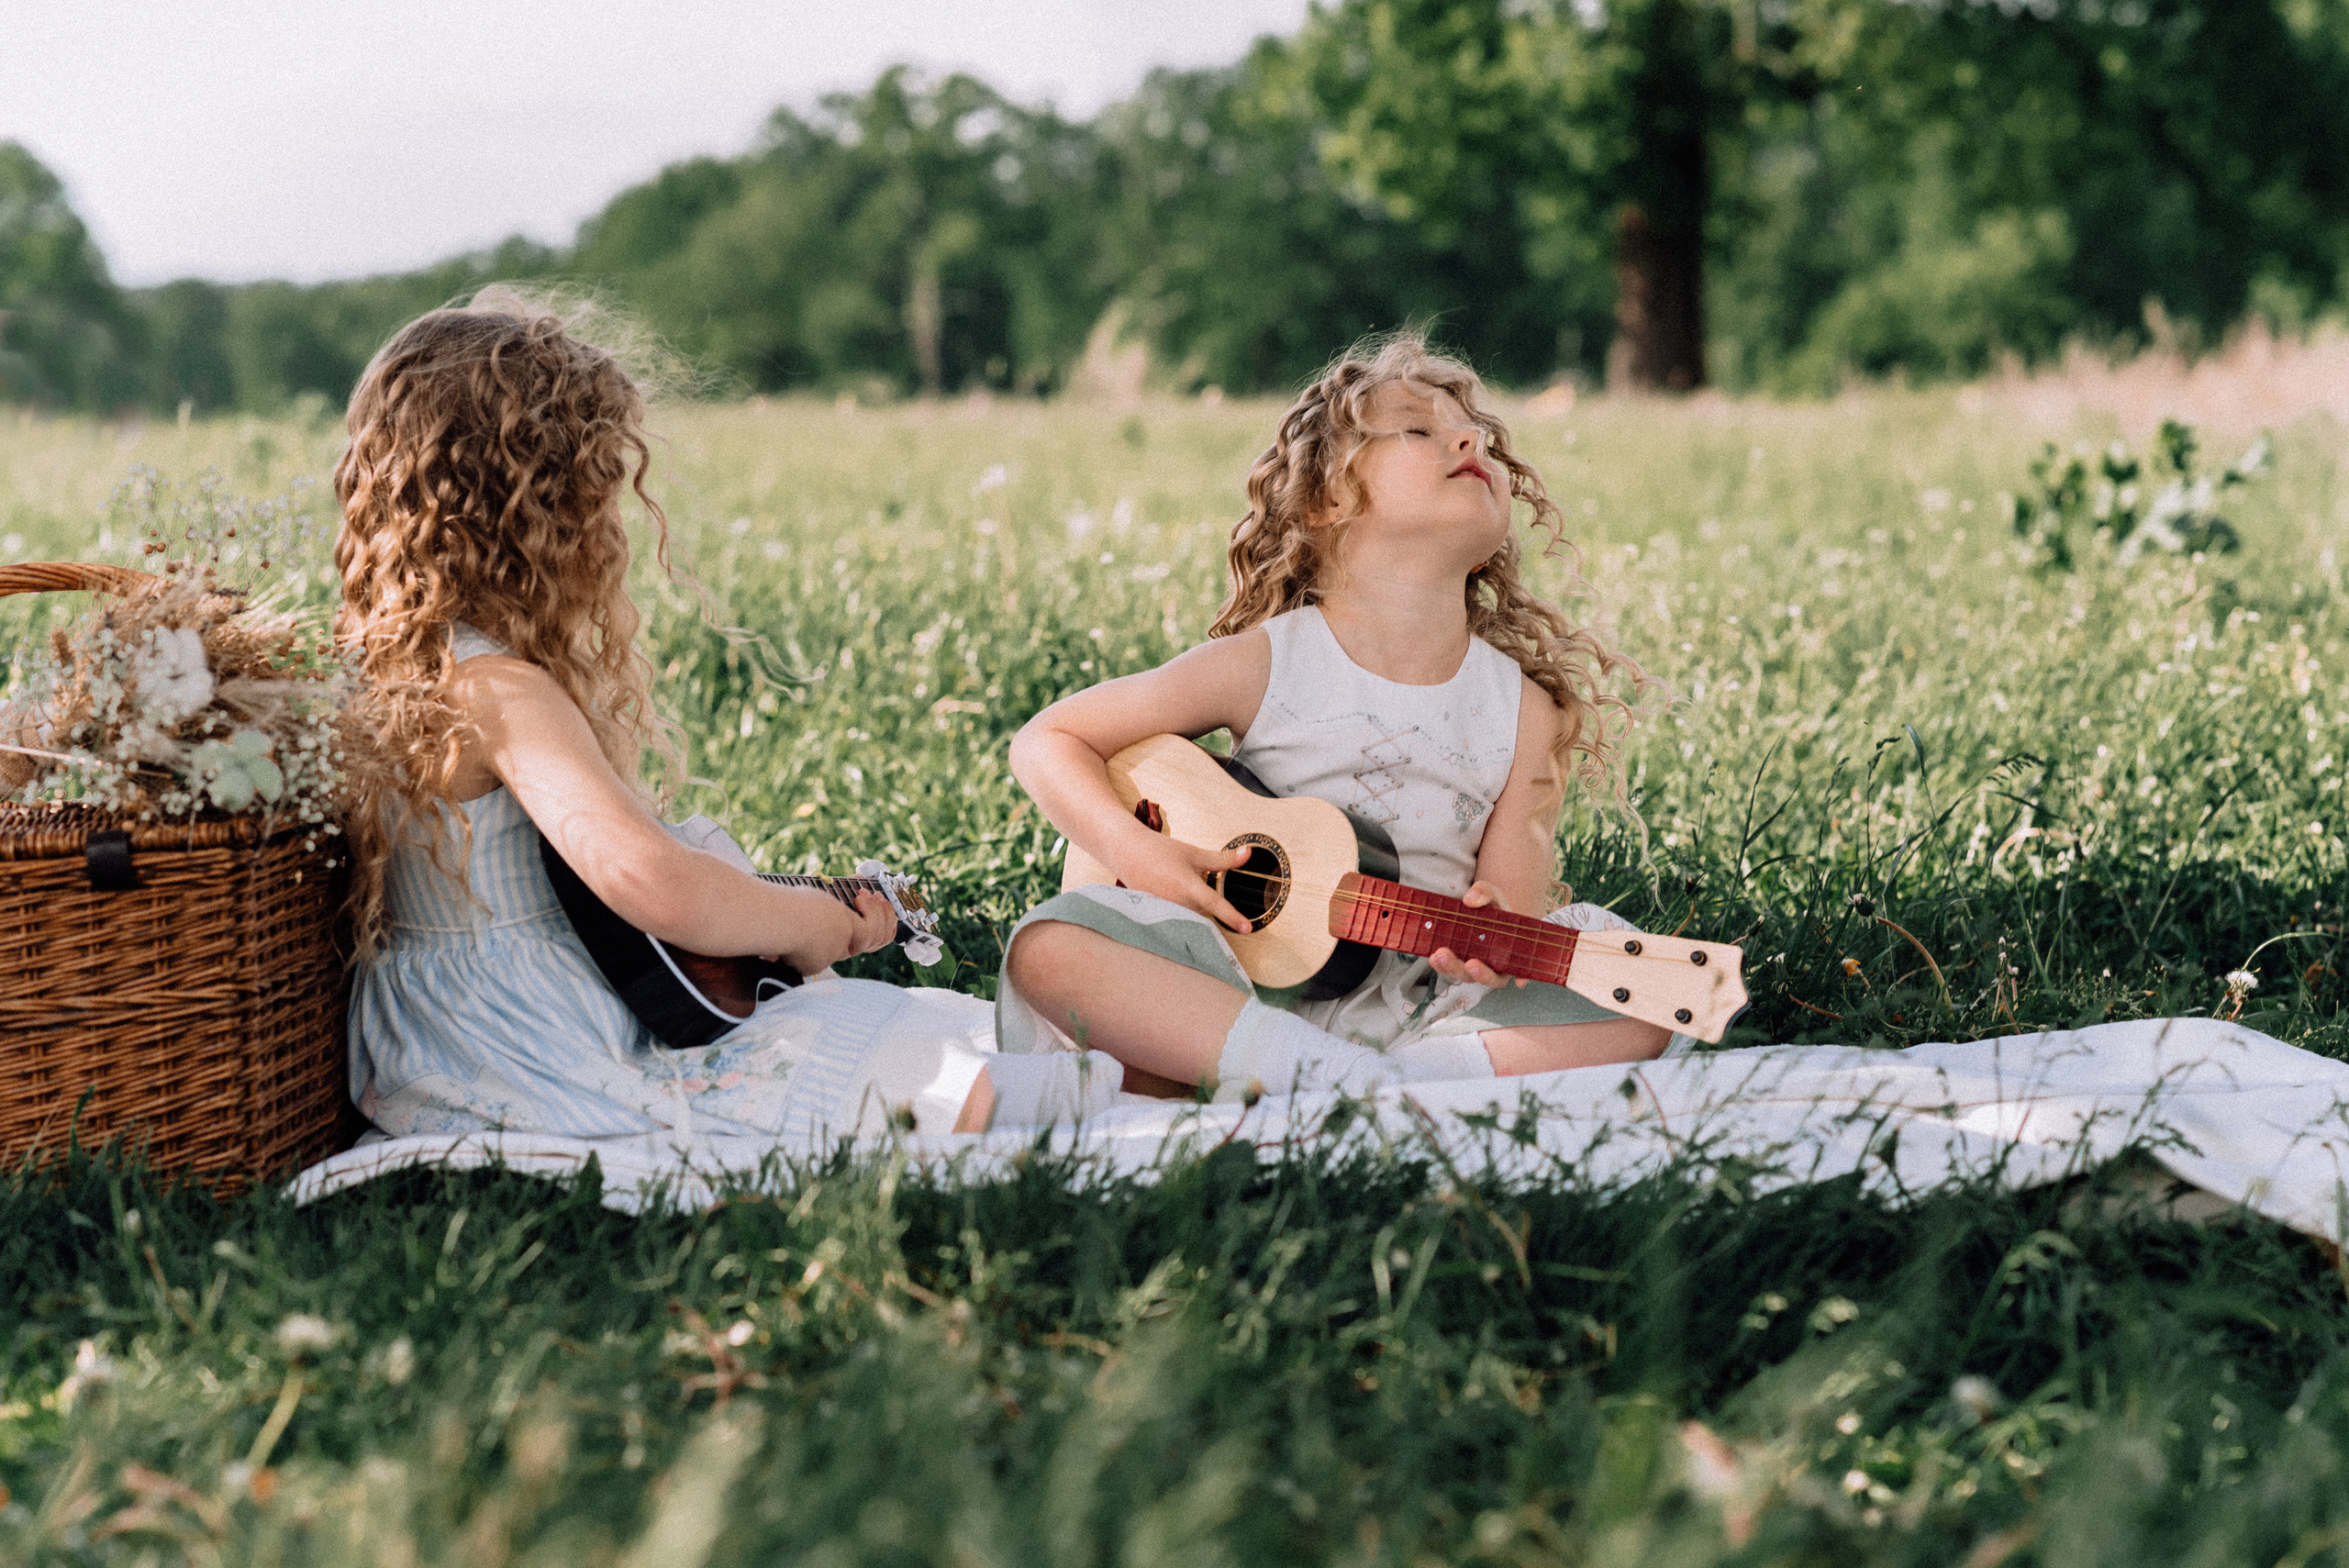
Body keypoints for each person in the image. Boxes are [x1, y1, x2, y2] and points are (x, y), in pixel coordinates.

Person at [337, 294, 1033, 1142]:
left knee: (925, 1042)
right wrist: (819, 920)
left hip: (435, 1041)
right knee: (929, 1061)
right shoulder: (496, 688)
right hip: (533, 1047)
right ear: (541, 510)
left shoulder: (388, 668)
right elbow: (655, 885)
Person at [990, 333, 1677, 1122]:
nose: (1468, 439)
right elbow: (1047, 740)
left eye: (1474, 432)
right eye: (1420, 430)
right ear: (1325, 499)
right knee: (1052, 946)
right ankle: (1320, 1073)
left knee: (1634, 981)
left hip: (1418, 1015)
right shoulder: (1266, 664)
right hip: (1220, 990)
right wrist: (1138, 854)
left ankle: (1368, 1079)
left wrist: (1490, 938)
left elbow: (1508, 912)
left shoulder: (1524, 710)